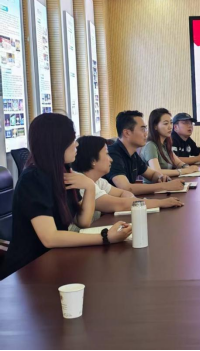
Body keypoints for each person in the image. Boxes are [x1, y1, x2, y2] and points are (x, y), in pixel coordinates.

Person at [0, 114, 132, 280]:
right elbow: (50, 238)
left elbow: (82, 221)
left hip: (55, 259)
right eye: (72, 140)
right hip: (29, 270)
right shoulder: (33, 179)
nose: (76, 144)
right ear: (57, 144)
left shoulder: (63, 172)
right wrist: (106, 237)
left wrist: (90, 187)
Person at [71, 135, 185, 231]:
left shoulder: (99, 181)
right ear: (93, 161)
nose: (111, 159)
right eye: (106, 154)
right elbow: (120, 204)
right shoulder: (81, 182)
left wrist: (130, 199)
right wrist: (162, 202)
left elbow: (123, 193)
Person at [104, 111, 188, 195]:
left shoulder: (133, 154)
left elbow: (152, 174)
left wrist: (161, 177)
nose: (146, 133)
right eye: (143, 129)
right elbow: (126, 188)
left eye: (146, 129)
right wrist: (165, 186)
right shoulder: (113, 154)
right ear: (127, 133)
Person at [141, 109, 199, 183]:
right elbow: (157, 172)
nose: (170, 127)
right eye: (166, 124)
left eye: (171, 123)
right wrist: (182, 171)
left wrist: (187, 167)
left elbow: (178, 163)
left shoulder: (166, 144)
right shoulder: (150, 146)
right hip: (154, 188)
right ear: (155, 126)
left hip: (167, 185)